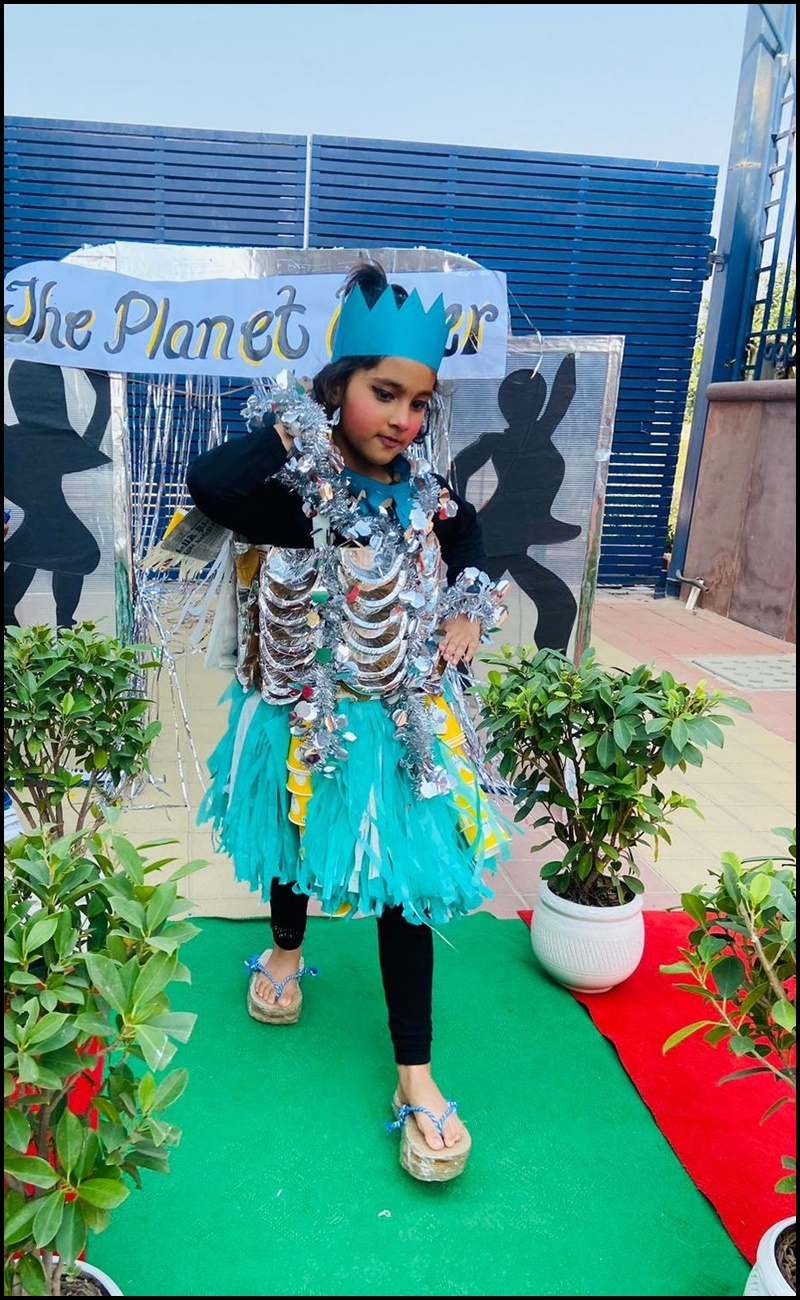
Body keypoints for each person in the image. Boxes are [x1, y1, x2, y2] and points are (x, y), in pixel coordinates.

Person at [185, 261, 512, 1183]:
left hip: (400, 725)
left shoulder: (427, 488)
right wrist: (296, 424)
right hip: (304, 714)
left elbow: (470, 537)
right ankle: (286, 951)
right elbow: (211, 485)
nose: (403, 419)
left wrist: (466, 608)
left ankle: (416, 1074)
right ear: (339, 388)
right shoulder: (298, 489)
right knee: (294, 843)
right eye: (384, 393)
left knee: (405, 889)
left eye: (419, 401)